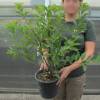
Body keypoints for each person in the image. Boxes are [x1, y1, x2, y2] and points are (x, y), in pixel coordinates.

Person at [40, 0, 96, 100]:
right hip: (55, 74)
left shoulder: (87, 24)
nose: (71, 4)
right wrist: (45, 58)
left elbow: (89, 53)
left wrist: (70, 68)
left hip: (76, 75)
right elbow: (45, 44)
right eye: (68, 1)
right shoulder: (53, 22)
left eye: (75, 1)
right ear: (62, 3)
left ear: (80, 4)